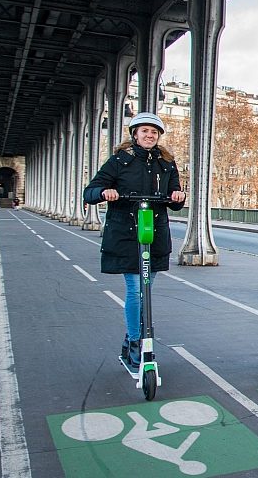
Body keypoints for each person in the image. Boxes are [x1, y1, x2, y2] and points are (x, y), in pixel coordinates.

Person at [83, 112, 186, 368]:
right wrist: (105, 192)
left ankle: (137, 339)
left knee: (146, 289)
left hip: (155, 233)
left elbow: (175, 198)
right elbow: (91, 191)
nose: (149, 136)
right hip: (126, 233)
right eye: (144, 132)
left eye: (154, 132)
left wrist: (177, 197)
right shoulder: (119, 161)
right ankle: (135, 341)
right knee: (136, 289)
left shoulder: (167, 163)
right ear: (135, 134)